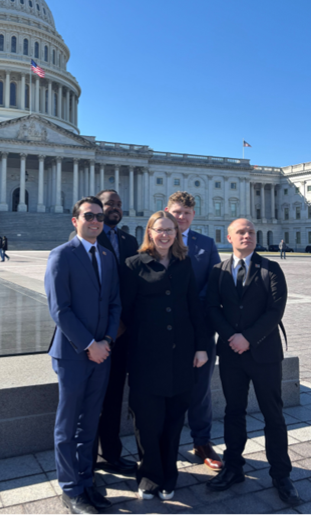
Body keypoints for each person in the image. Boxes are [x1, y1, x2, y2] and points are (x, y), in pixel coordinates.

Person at [206, 219, 301, 507]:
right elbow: (212, 307)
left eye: (250, 232)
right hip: (232, 354)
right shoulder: (218, 271)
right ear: (229, 237)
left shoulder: (271, 268)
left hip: (264, 354)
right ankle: (234, 467)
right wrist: (231, 336)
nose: (247, 236)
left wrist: (247, 338)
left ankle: (281, 475)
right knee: (234, 412)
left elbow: (275, 310)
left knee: (274, 415)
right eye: (241, 233)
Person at [122, 211, 210, 501]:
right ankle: (149, 475)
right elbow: (126, 313)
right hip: (146, 358)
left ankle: (168, 473)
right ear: (149, 232)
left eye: (170, 230)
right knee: (147, 422)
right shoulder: (134, 265)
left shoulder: (183, 264)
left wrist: (201, 346)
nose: (165, 235)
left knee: (173, 421)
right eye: (159, 229)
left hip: (181, 355)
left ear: (177, 233)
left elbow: (194, 307)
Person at [45, 197, 122, 516]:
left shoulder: (106, 255)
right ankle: (70, 488)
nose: (95, 221)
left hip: (101, 352)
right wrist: (90, 344)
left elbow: (115, 304)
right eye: (88, 216)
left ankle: (87, 479)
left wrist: (105, 341)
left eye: (100, 217)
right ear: (74, 220)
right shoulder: (61, 255)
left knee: (90, 421)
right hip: (74, 354)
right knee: (67, 424)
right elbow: (59, 309)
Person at [165, 192, 223, 471]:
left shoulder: (206, 244)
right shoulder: (157, 240)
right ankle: (166, 445)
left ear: (193, 215)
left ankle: (202, 442)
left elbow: (215, 283)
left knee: (201, 390)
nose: (182, 217)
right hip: (165, 331)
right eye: (177, 212)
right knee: (166, 387)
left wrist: (190, 309)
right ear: (167, 211)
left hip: (199, 328)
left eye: (187, 213)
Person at [94, 190, 139, 475]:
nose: (115, 208)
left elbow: (134, 285)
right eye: (110, 203)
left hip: (122, 333)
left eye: (119, 204)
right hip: (96, 334)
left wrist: (124, 322)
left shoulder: (129, 240)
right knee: (92, 398)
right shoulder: (88, 236)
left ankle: (110, 453)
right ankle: (87, 460)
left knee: (114, 396)